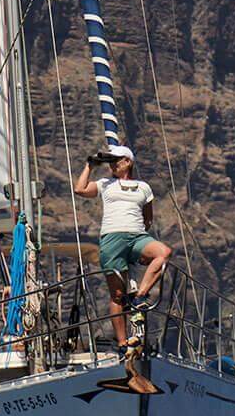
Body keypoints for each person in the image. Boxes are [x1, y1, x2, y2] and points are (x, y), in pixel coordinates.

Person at [74, 144, 172, 350]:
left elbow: (148, 219)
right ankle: (122, 342)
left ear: (127, 162)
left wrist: (138, 238)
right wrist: (89, 166)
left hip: (137, 236)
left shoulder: (144, 187)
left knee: (163, 253)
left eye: (115, 160)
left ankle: (140, 296)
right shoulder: (105, 184)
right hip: (112, 239)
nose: (111, 165)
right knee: (117, 295)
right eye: (109, 162)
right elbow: (80, 189)